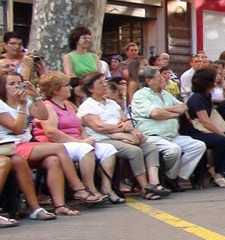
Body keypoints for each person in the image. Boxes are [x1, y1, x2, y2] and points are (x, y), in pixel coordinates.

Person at [0, 71, 97, 218]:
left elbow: (43, 116)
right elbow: (17, 128)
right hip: (10, 145)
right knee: (59, 148)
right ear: (3, 87)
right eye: (11, 84)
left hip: (25, 143)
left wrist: (35, 96)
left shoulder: (26, 102)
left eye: (19, 83)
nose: (16, 87)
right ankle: (79, 188)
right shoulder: (3, 105)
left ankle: (59, 205)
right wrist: (22, 106)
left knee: (53, 160)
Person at [77, 73, 168, 201]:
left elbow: (126, 119)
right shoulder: (87, 106)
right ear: (91, 88)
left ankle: (154, 183)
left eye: (104, 82)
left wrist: (131, 128)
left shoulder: (111, 103)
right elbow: (99, 127)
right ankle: (144, 188)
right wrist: (122, 128)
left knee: (151, 147)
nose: (104, 85)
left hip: (121, 134)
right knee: (134, 151)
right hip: (104, 139)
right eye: (100, 83)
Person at [34, 71, 117, 204]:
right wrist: (80, 141)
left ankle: (106, 187)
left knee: (108, 149)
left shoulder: (68, 106)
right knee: (85, 149)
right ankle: (89, 188)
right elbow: (52, 133)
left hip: (76, 141)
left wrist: (87, 139)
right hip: (59, 144)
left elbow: (80, 128)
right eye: (66, 85)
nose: (71, 88)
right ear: (55, 90)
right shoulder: (48, 107)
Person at [131, 66, 207, 191]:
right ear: (149, 80)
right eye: (158, 76)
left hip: (172, 136)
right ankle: (170, 178)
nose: (163, 79)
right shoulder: (141, 95)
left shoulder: (165, 94)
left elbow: (183, 107)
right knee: (173, 150)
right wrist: (173, 113)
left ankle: (172, 177)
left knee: (198, 146)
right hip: (152, 136)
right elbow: (155, 113)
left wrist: (164, 111)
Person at [179, 67, 225, 188]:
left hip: (201, 129)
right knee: (221, 140)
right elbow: (205, 121)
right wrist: (221, 134)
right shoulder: (197, 98)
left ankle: (216, 169)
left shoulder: (206, 96)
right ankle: (218, 174)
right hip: (193, 131)